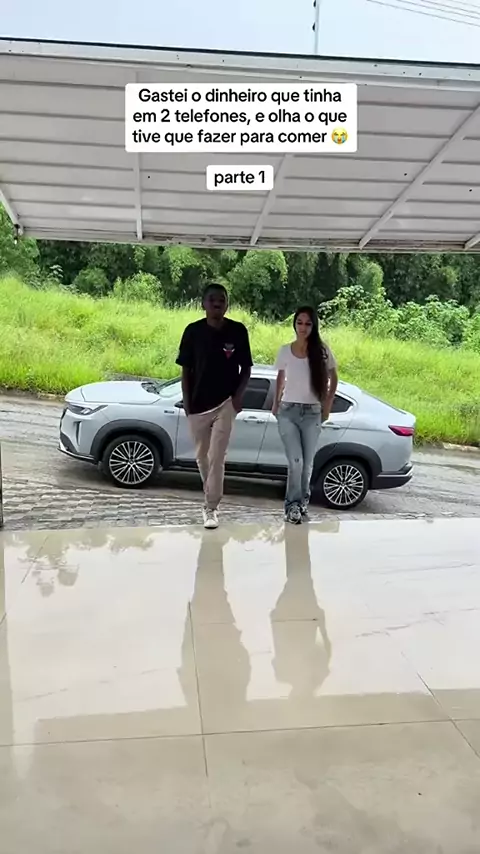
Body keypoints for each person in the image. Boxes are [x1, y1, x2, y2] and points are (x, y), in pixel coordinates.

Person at [176, 283, 253, 529]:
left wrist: (237, 397)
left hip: (225, 404)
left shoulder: (238, 331)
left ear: (227, 304)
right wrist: (187, 405)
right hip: (197, 405)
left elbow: (246, 368)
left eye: (222, 299)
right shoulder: (192, 331)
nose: (217, 303)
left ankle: (211, 508)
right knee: (202, 458)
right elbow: (185, 371)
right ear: (203, 303)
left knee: (217, 456)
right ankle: (209, 497)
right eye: (212, 299)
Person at [272, 306, 338, 524]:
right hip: (288, 411)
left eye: (308, 323)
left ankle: (302, 503)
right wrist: (276, 403)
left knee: (307, 464)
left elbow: (333, 377)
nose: (303, 327)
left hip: (312, 413)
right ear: (294, 324)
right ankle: (292, 505)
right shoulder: (285, 350)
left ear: (314, 326)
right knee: (296, 462)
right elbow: (280, 377)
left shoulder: (322, 350)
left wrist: (327, 406)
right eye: (299, 322)